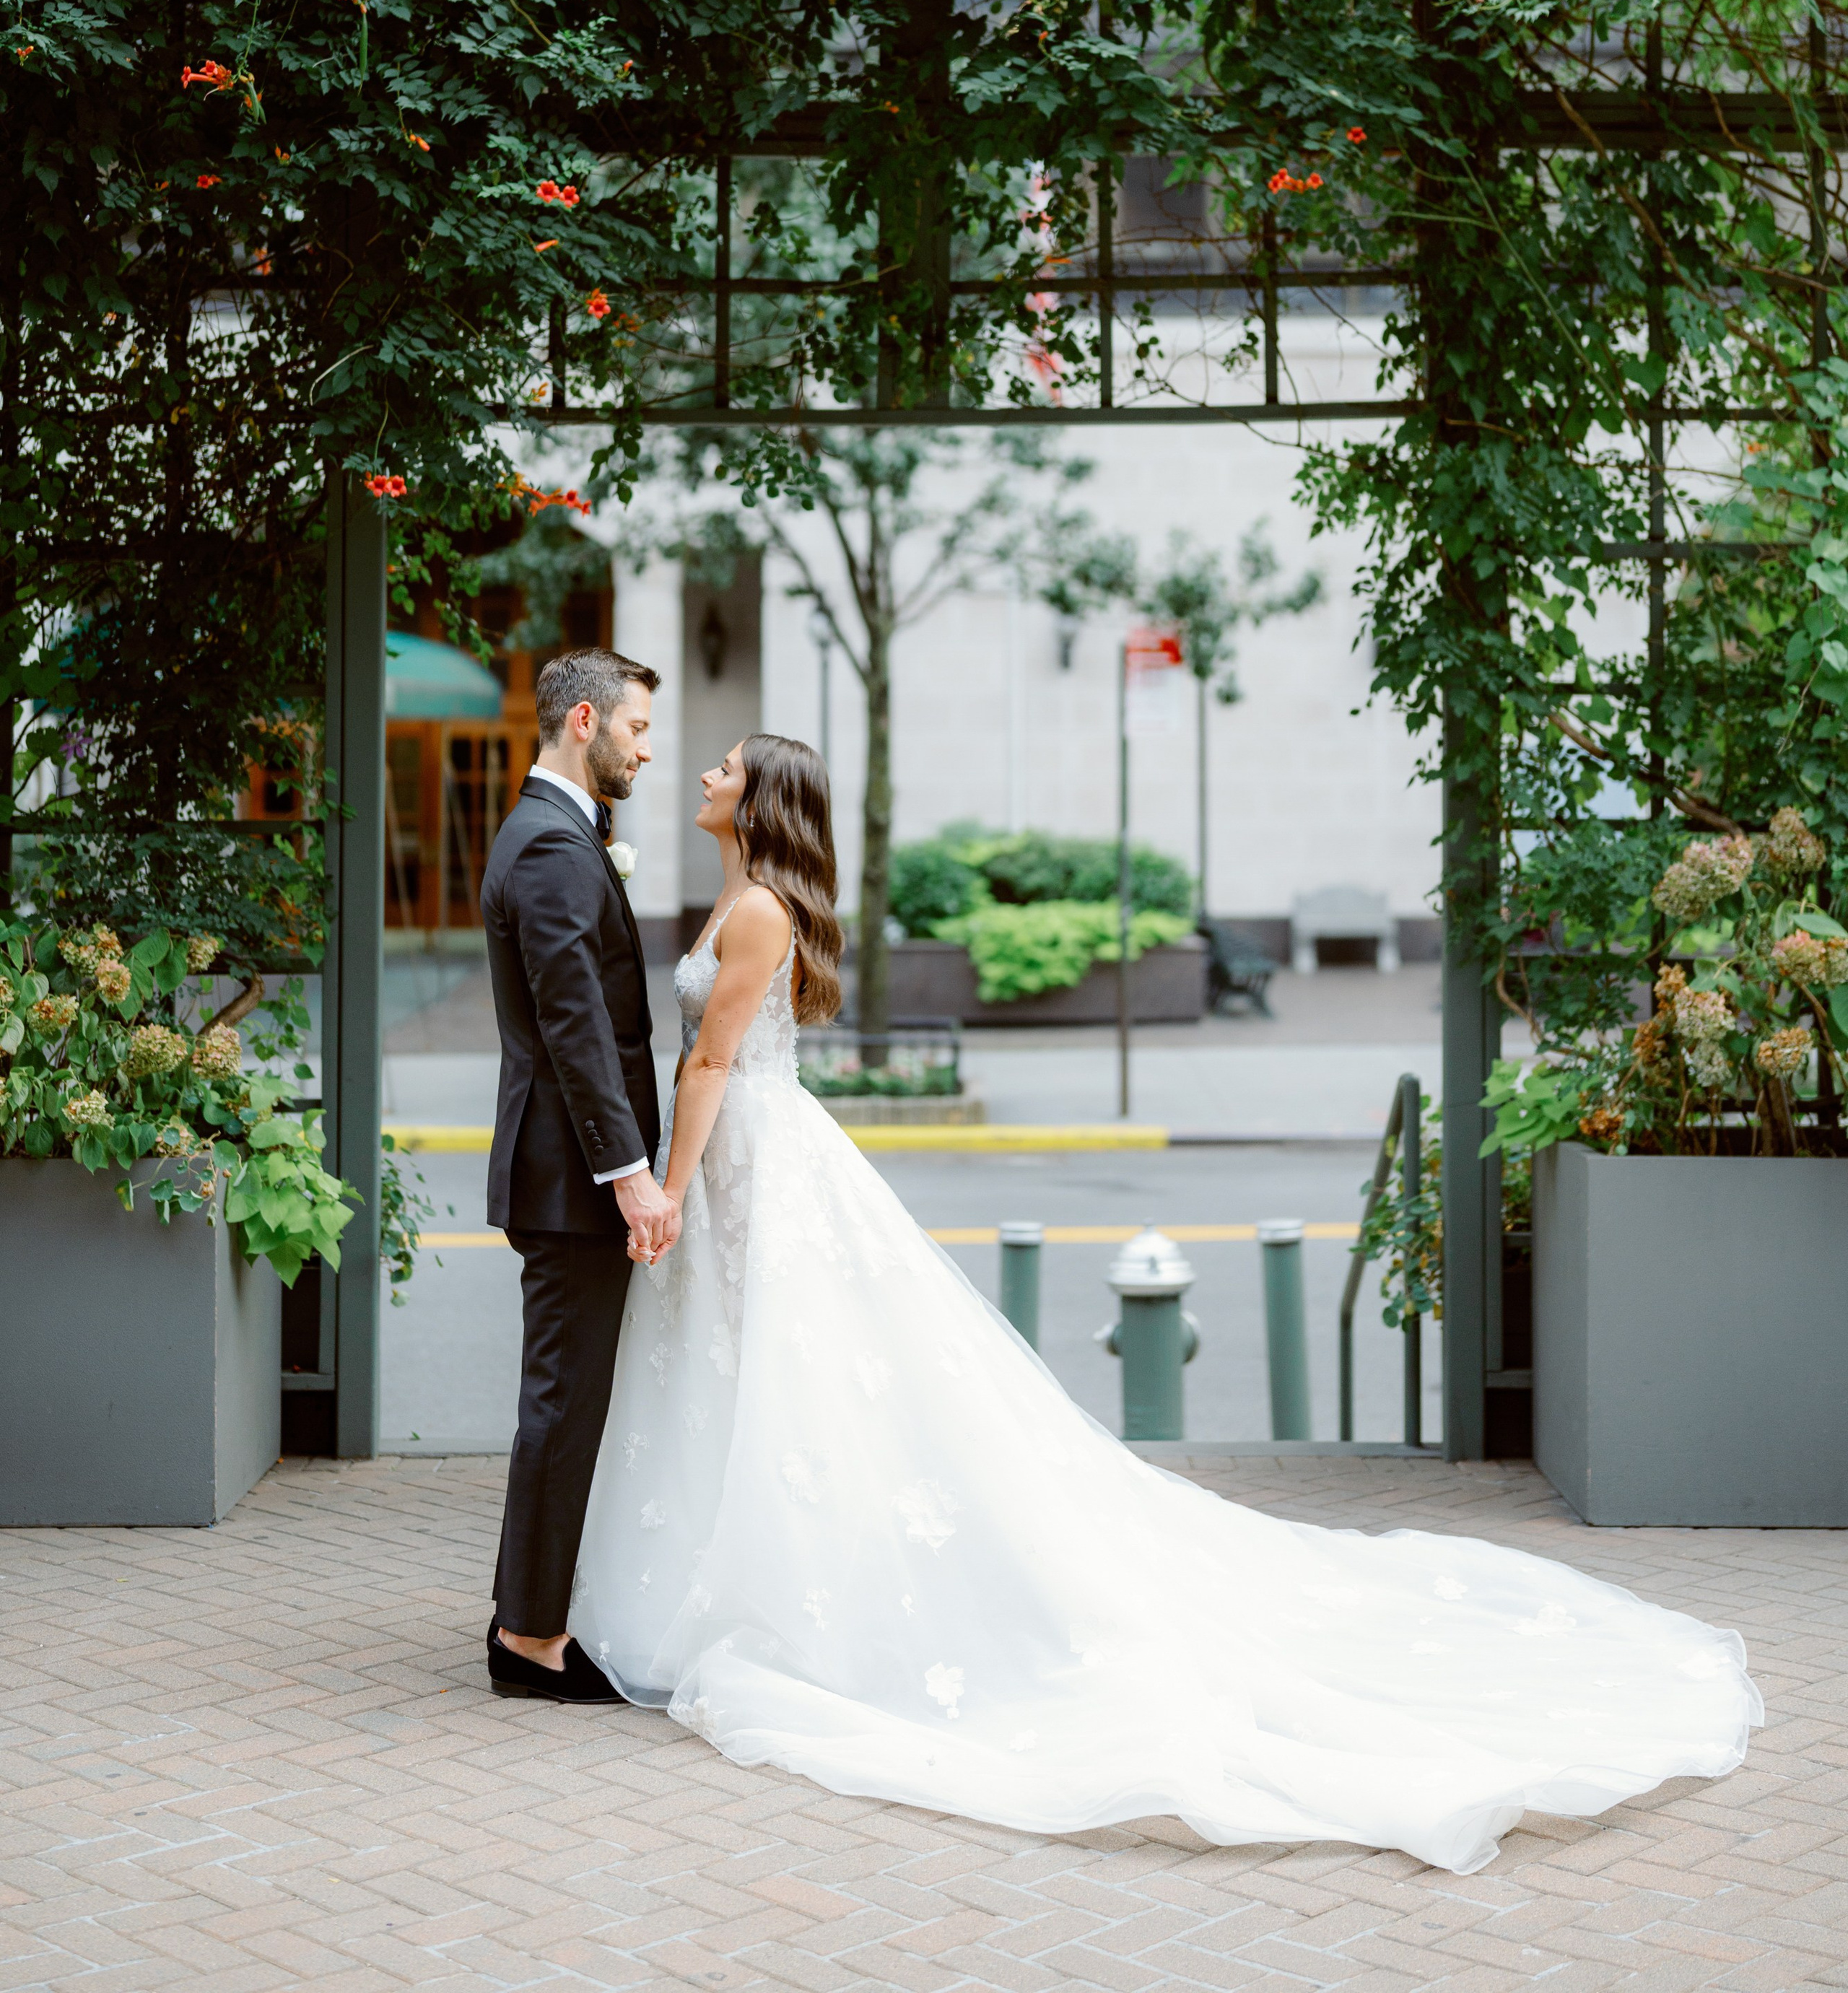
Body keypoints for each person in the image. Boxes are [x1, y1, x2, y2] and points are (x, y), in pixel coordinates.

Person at [572, 734, 1761, 1872]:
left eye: (730, 766)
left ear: (764, 801)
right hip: (750, 1164)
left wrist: (665, 1192)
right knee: (766, 1373)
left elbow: (715, 1063)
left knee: (803, 1371)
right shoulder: (740, 904)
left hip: (758, 1161)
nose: (709, 772)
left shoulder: (761, 912)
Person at [480, 645, 676, 1704]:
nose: (649, 748)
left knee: (565, 1399)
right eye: (639, 729)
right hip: (573, 1181)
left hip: (566, 1176)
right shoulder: (553, 846)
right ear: (586, 721)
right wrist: (630, 1175)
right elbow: (576, 1027)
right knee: (562, 1403)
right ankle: (533, 1642)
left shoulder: (552, 832)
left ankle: (526, 1611)